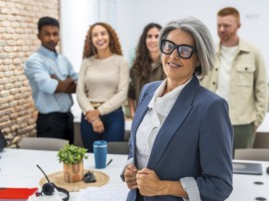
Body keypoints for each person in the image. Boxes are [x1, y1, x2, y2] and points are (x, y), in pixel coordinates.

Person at [124, 17, 233, 201]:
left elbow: (220, 185)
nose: (173, 55)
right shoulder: (148, 91)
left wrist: (162, 187)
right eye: (169, 46)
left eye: (184, 50)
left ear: (199, 58)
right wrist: (129, 169)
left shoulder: (211, 107)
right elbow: (136, 148)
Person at [201, 7, 268, 152]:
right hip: (211, 121)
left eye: (227, 25)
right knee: (211, 165)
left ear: (238, 26)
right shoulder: (208, 52)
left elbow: (261, 88)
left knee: (240, 169)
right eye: (219, 25)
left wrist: (257, 121)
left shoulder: (253, 53)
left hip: (242, 125)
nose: (222, 29)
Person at [77, 22, 129, 152]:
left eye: (103, 33)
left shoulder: (120, 62)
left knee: (112, 156)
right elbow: (80, 92)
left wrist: (98, 112)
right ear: (91, 40)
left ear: (110, 36)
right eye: (95, 35)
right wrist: (92, 116)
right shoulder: (86, 62)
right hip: (89, 117)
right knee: (90, 156)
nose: (99, 38)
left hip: (113, 117)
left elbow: (122, 93)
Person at [24, 16, 77, 144]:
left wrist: (60, 82)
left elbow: (77, 86)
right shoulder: (35, 60)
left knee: (69, 161)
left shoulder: (63, 59)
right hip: (49, 121)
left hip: (68, 118)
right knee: (49, 161)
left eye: (55, 34)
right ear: (39, 36)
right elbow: (50, 87)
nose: (52, 38)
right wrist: (68, 80)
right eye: (47, 34)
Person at [128, 23, 166, 118]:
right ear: (144, 40)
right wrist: (133, 114)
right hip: (142, 118)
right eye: (149, 36)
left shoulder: (169, 66)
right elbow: (131, 93)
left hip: (162, 118)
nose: (153, 40)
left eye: (157, 36)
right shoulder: (136, 67)